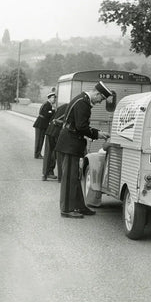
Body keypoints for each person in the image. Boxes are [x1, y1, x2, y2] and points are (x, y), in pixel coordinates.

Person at [55, 81, 112, 218]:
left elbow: (80, 125)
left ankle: (79, 206)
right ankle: (67, 209)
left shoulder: (82, 99)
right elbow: (81, 127)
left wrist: (98, 132)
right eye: (101, 99)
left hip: (70, 142)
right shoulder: (83, 103)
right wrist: (97, 134)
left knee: (74, 177)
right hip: (70, 144)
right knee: (69, 178)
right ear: (97, 93)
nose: (100, 102)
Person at [42, 103, 68, 181]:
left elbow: (52, 118)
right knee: (59, 154)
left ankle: (45, 175)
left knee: (48, 153)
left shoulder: (63, 106)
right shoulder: (73, 109)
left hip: (50, 131)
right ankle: (60, 177)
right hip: (58, 133)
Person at [33, 92, 56, 159]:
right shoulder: (47, 105)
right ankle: (37, 154)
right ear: (49, 98)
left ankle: (38, 153)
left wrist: (51, 111)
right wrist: (53, 111)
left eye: (54, 98)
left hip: (42, 124)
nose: (54, 99)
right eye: (53, 98)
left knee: (40, 140)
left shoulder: (48, 104)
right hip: (41, 124)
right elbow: (46, 114)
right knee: (39, 140)